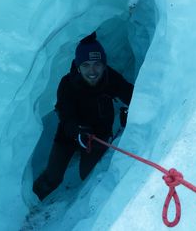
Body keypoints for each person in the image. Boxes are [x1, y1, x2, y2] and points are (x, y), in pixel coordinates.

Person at [32, 32, 134, 201]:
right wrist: (77, 131)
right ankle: (30, 204)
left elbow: (133, 95)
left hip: (98, 136)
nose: (92, 71)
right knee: (53, 177)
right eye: (86, 65)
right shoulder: (68, 84)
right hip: (68, 135)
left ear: (104, 65)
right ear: (78, 67)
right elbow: (65, 116)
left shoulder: (110, 78)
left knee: (89, 176)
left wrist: (132, 112)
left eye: (97, 64)